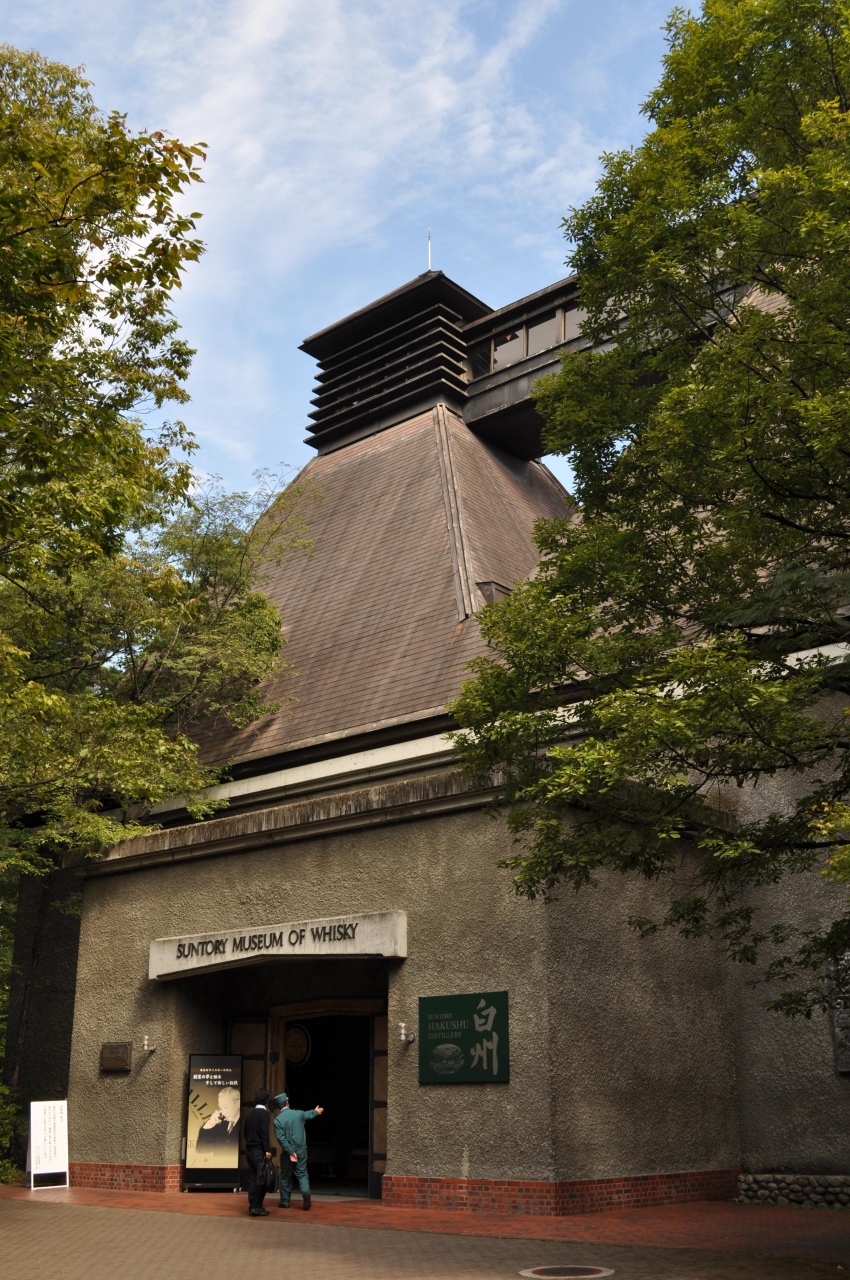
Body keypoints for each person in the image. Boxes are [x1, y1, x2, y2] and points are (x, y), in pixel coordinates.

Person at [273, 1092, 323, 1210]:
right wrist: (316, 1111)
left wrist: (290, 1152)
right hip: (301, 1149)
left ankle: (285, 1202)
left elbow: (281, 1139)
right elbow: (308, 1115)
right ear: (287, 1102)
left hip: (287, 1152)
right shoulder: (298, 1114)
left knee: (286, 1176)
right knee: (302, 1173)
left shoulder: (277, 1120)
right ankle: (305, 1193)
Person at [243, 1087, 273, 1216]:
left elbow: (245, 1132)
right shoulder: (264, 1114)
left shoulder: (249, 1114)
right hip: (258, 1151)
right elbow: (264, 1133)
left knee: (252, 1179)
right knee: (262, 1179)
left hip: (249, 1151)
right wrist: (267, 1149)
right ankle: (257, 1206)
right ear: (267, 1101)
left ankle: (252, 1205)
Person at [196, 1085, 241, 1154]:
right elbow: (200, 1149)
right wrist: (210, 1123)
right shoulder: (220, 1124)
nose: (223, 1112)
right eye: (221, 1107)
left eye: (226, 1107)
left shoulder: (246, 1123)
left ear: (238, 1103)